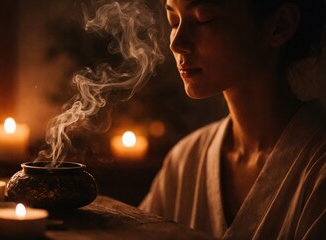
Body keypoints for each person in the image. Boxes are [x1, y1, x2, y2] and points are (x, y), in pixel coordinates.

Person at [139, 0, 326, 239]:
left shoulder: (317, 172)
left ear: (280, 25)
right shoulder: (185, 161)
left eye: (204, 19)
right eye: (173, 22)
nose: (177, 44)